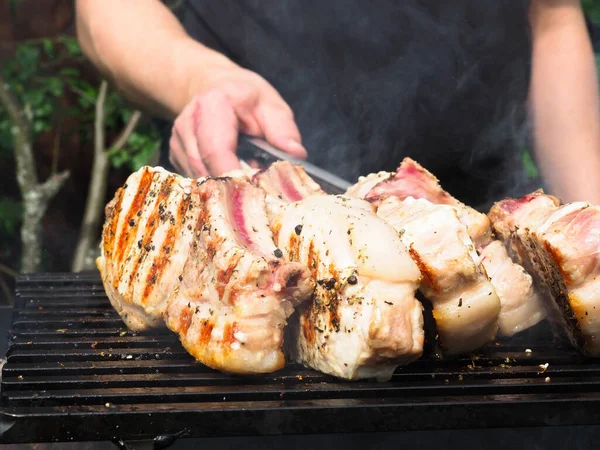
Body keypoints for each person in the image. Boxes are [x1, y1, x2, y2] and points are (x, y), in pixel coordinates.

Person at [75, 0, 600, 211]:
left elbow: (552, 16)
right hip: (246, 220)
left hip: (473, 238)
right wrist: (204, 78)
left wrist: (592, 225)